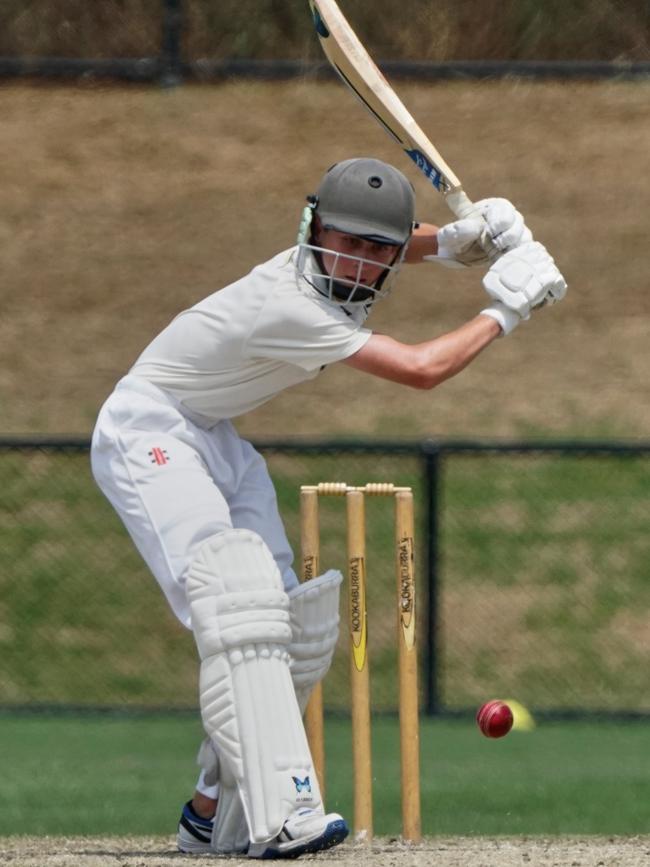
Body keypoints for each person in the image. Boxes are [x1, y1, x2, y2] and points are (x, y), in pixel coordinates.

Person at [90, 157, 566, 858]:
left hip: (213, 435)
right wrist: (506, 308)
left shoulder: (347, 263)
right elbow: (421, 369)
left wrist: (458, 240)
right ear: (314, 228)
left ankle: (210, 811)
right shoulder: (291, 303)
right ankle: (287, 813)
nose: (361, 259)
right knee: (237, 607)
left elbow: (381, 240)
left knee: (289, 625)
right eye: (347, 240)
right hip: (148, 428)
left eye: (381, 251)